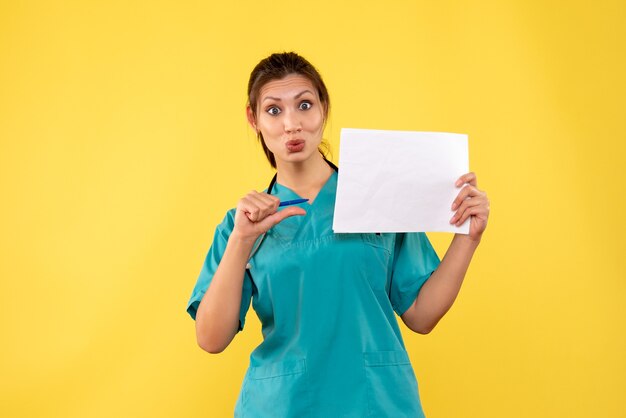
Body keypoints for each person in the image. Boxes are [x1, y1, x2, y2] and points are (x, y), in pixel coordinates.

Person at [186, 52, 490, 417]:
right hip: (284, 405)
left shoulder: (380, 196)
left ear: (324, 109)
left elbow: (421, 315)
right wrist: (240, 242)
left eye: (304, 105)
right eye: (274, 110)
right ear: (253, 119)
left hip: (375, 402)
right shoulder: (242, 224)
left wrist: (467, 238)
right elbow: (211, 339)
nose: (292, 124)